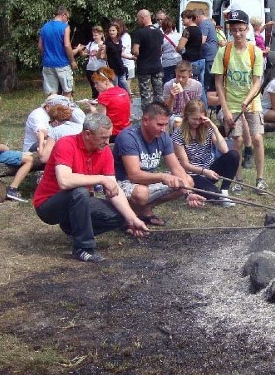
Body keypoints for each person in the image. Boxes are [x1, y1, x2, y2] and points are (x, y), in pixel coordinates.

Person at [33, 114, 149, 263]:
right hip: (48, 205)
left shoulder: (104, 151)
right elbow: (64, 181)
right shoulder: (66, 144)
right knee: (80, 191)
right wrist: (101, 179)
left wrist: (132, 219)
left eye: (109, 137)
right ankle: (83, 248)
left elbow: (113, 190)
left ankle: (73, 228)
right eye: (103, 138)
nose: (107, 142)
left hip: (79, 201)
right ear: (87, 134)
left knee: (121, 215)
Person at [112, 101, 204, 225]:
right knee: (141, 193)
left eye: (166, 124)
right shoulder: (128, 137)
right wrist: (162, 176)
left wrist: (188, 193)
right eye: (160, 124)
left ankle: (145, 210)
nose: (163, 129)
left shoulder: (163, 136)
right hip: (123, 183)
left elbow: (176, 167)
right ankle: (128, 216)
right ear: (145, 120)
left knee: (187, 180)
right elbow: (134, 175)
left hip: (146, 182)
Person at [211, 9, 268, 192]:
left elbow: (257, 81)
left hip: (252, 103)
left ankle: (259, 179)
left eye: (241, 29)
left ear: (248, 29)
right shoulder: (224, 51)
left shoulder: (255, 52)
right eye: (234, 30)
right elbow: (218, 83)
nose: (237, 33)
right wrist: (225, 109)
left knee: (257, 138)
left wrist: (248, 98)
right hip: (231, 103)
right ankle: (238, 179)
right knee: (237, 140)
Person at [171, 99, 240, 205]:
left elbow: (224, 149)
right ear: (186, 116)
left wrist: (213, 127)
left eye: (200, 119)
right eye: (194, 119)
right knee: (215, 197)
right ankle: (209, 193)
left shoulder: (206, 128)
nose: (197, 122)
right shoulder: (179, 133)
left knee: (233, 155)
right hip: (193, 174)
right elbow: (185, 165)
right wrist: (204, 171)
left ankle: (224, 190)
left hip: (209, 170)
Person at [38, 6, 81, 98]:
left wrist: (48, 54)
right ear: (63, 15)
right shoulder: (65, 27)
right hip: (62, 63)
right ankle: (65, 110)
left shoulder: (44, 27)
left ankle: (54, 111)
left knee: (52, 93)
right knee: (67, 91)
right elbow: (66, 45)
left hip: (47, 64)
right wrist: (72, 60)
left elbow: (40, 46)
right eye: (67, 18)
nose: (67, 20)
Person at [22, 94, 75, 164]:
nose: (60, 109)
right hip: (33, 147)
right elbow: (42, 134)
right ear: (48, 107)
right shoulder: (37, 115)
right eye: (57, 107)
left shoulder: (57, 115)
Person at [131, 8, 164, 104]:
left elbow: (135, 51)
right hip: (157, 66)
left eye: (138, 19)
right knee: (159, 93)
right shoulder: (159, 32)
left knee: (146, 95)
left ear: (143, 18)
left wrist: (135, 53)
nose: (138, 21)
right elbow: (161, 49)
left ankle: (147, 115)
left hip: (144, 67)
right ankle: (160, 114)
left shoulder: (139, 33)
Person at [90, 67, 130, 138]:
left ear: (106, 81)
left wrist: (92, 109)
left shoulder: (104, 96)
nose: (95, 86)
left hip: (113, 133)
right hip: (126, 130)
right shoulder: (123, 91)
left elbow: (101, 119)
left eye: (97, 83)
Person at [176, 9, 206, 93]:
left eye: (183, 18)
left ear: (189, 18)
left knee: (189, 87)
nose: (182, 21)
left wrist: (177, 48)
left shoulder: (187, 30)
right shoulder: (198, 29)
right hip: (200, 60)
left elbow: (180, 47)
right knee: (200, 87)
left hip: (190, 61)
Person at [79, 26, 107, 99]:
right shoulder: (91, 44)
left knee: (101, 86)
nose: (94, 37)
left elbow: (105, 57)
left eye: (96, 35)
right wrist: (80, 50)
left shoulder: (104, 44)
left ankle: (102, 99)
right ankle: (95, 100)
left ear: (101, 34)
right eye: (93, 35)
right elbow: (84, 54)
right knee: (94, 86)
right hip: (90, 67)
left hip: (100, 68)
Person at [196, 9, 220, 91]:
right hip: (211, 54)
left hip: (208, 56)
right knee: (211, 81)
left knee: (207, 82)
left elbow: (202, 40)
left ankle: (208, 101)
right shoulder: (209, 22)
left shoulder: (204, 24)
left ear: (197, 17)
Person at [159, 15, 183, 83]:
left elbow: (159, 51)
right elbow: (183, 49)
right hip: (178, 60)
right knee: (178, 82)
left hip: (166, 62)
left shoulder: (161, 38)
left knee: (168, 83)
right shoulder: (180, 36)